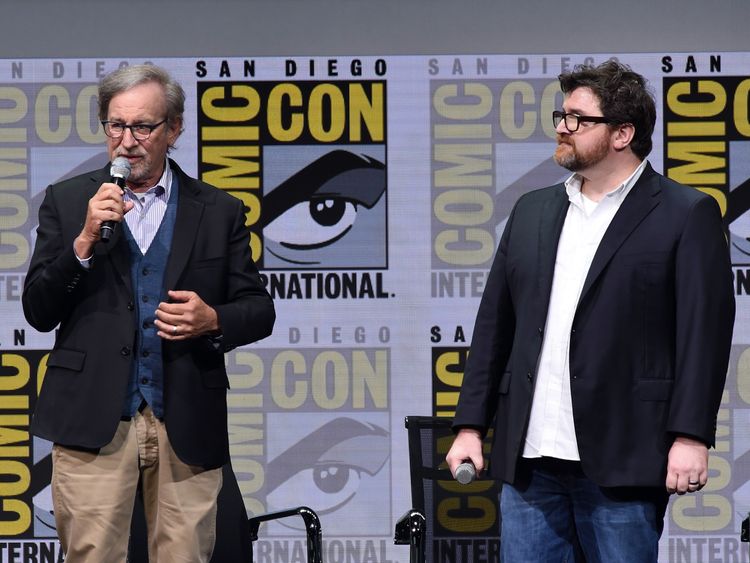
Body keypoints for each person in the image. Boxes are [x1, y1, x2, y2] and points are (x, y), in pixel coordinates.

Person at [446, 60, 735, 562]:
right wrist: (471, 425)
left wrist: (690, 436)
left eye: (579, 118)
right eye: (561, 114)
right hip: (530, 460)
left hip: (624, 456)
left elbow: (702, 336)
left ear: (622, 133)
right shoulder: (533, 209)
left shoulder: (685, 213)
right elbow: (495, 324)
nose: (563, 126)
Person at [22, 64, 275, 563]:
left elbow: (259, 310)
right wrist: (83, 243)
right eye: (116, 126)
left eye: (143, 127)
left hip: (184, 417)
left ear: (174, 129)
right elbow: (38, 309)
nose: (127, 141)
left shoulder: (218, 209)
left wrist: (214, 319)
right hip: (93, 417)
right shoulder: (70, 201)